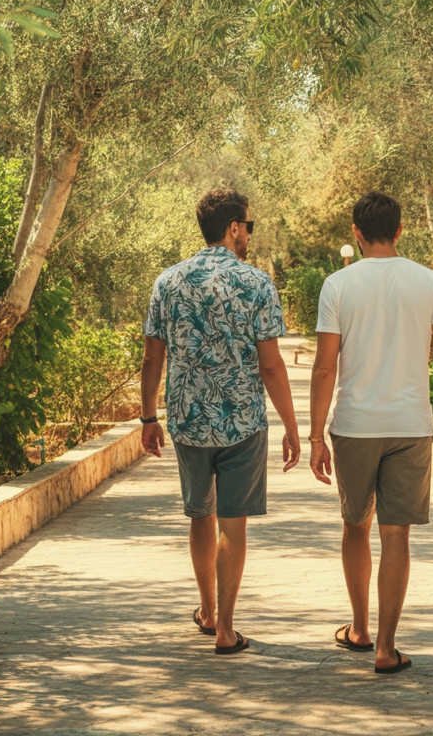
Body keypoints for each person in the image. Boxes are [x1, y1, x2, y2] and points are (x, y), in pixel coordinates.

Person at [308, 191, 433, 674]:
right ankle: (386, 648)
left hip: (354, 427)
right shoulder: (428, 282)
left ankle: (359, 628)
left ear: (356, 232)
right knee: (395, 533)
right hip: (411, 427)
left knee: (355, 525)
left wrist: (315, 436)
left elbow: (324, 368)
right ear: (399, 231)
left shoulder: (337, 285)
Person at [140, 188, 301, 655]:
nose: (249, 235)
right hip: (243, 422)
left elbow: (153, 357)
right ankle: (227, 629)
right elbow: (271, 365)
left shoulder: (167, 282)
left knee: (199, 513)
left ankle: (207, 611)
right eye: (248, 226)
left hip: (189, 420)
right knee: (233, 522)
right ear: (233, 228)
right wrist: (292, 427)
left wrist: (149, 416)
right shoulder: (256, 283)